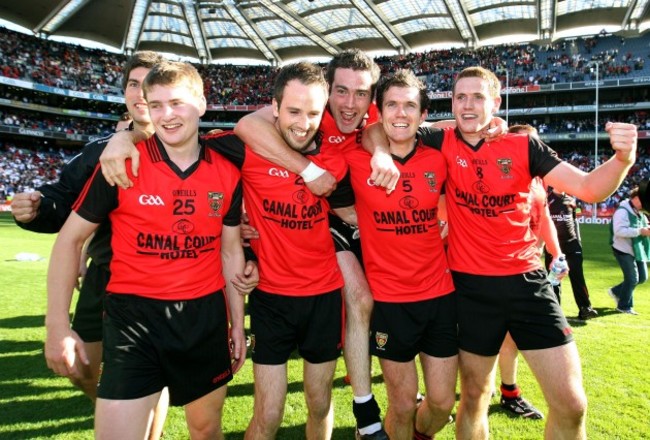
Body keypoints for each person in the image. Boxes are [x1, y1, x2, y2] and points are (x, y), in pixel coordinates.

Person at [99, 48, 389, 439]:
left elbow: (355, 213)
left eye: (312, 114)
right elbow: (179, 140)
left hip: (322, 297)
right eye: (293, 111)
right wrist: (125, 135)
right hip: (270, 297)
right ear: (274, 109)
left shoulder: (339, 158)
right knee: (268, 414)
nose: (303, 123)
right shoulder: (243, 149)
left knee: (319, 403)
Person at [364, 66, 638, 439]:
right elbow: (382, 126)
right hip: (472, 291)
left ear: (496, 102)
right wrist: (380, 154)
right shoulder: (441, 141)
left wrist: (622, 159)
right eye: (460, 97)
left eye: (479, 97)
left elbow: (589, 188)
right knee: (475, 396)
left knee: (572, 405)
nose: (468, 105)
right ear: (452, 104)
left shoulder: (523, 146)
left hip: (529, 287)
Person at [45, 60, 254, 439]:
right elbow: (69, 240)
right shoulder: (122, 164)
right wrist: (57, 325)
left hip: (203, 317)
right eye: (155, 105)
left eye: (176, 103)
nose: (167, 115)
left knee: (206, 430)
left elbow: (229, 252)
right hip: (132, 320)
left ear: (202, 104)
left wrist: (237, 323)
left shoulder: (226, 171)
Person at [9, 51, 171, 439]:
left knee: (150, 377)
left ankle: (146, 428)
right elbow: (62, 200)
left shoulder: (181, 146)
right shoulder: (99, 150)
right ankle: (121, 412)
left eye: (149, 83)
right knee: (82, 368)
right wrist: (36, 207)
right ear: (126, 92)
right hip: (103, 276)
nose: (141, 91)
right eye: (133, 83)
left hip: (159, 280)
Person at [342, 69, 457, 440]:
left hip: (439, 295)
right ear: (378, 112)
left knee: (440, 404)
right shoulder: (355, 161)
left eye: (410, 106)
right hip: (391, 301)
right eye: (392, 104)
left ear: (424, 116)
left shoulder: (439, 157)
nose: (401, 113)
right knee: (404, 404)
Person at [495, 124, 565, 421]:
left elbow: (545, 215)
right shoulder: (503, 171)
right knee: (500, 339)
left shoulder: (538, 178)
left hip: (529, 266)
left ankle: (507, 390)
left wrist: (556, 251)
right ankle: (505, 391)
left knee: (510, 339)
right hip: (497, 269)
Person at [545, 187, 599, 319]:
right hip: (554, 246)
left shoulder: (571, 200)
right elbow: (543, 223)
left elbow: (575, 221)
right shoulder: (546, 199)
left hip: (572, 244)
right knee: (554, 279)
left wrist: (578, 241)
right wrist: (547, 244)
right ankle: (555, 311)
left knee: (578, 277)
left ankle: (585, 308)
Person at [608, 185, 650, 315]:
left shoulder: (639, 211)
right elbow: (619, 231)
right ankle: (624, 306)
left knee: (642, 277)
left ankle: (616, 291)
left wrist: (646, 228)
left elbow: (642, 225)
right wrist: (640, 231)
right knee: (632, 279)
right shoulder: (623, 211)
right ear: (636, 198)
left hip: (636, 249)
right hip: (623, 249)